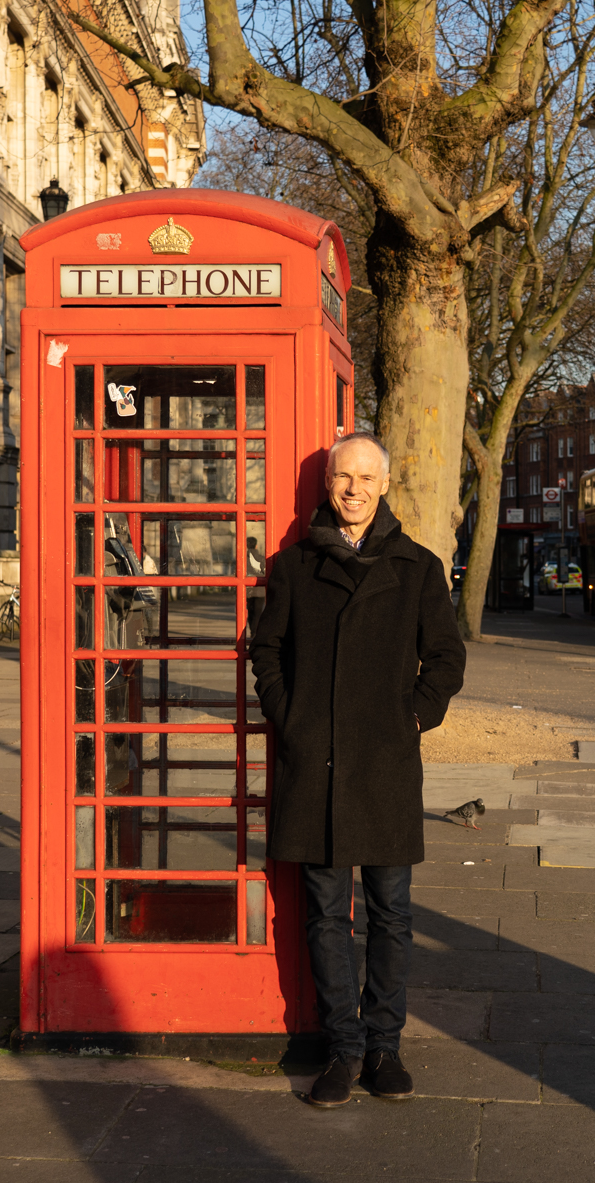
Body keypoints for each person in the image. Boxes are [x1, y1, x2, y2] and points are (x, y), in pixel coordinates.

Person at [249, 431, 466, 1107]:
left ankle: (385, 1048)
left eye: (366, 477)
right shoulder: (291, 569)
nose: (353, 488)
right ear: (328, 484)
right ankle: (342, 1051)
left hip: (384, 766)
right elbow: (267, 653)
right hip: (315, 762)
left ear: (385, 484)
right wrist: (295, 717)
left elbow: (447, 659)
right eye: (344, 476)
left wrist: (413, 718)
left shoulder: (419, 568)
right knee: (322, 914)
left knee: (391, 912)